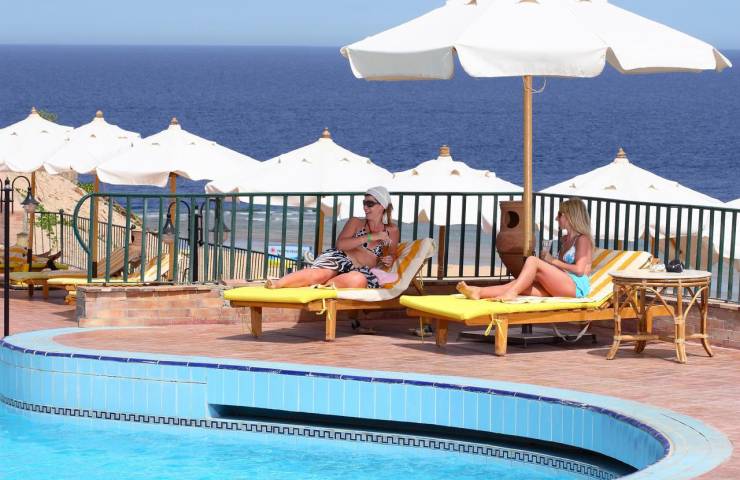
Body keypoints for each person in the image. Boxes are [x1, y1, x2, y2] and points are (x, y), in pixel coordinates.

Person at [457, 197, 593, 301]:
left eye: (559, 214)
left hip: (576, 287)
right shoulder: (566, 239)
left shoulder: (582, 239)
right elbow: (562, 268)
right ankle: (479, 291)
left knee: (532, 261)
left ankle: (511, 294)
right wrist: (548, 263)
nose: (556, 218)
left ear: (569, 215)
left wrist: (552, 261)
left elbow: (579, 270)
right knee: (520, 284)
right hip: (562, 284)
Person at [266, 186, 400, 290]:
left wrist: (389, 259)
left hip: (360, 271)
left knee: (358, 281)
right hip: (340, 258)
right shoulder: (356, 222)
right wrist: (371, 237)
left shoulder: (392, 230)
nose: (365, 207)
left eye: (369, 204)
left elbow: (392, 253)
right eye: (364, 203)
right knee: (322, 274)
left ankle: (324, 285)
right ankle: (278, 283)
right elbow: (340, 245)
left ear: (382, 206)